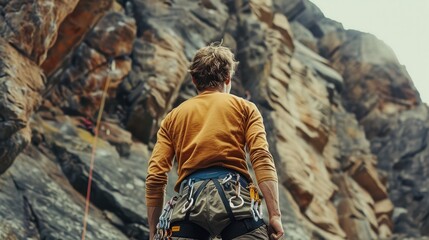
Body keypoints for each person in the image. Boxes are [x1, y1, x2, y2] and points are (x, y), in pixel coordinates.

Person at [146, 43, 284, 240]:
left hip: (188, 205)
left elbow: (156, 175)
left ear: (194, 80)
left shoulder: (172, 118)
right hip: (236, 202)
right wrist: (275, 215)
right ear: (228, 78)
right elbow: (261, 157)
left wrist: (153, 231)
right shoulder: (246, 108)